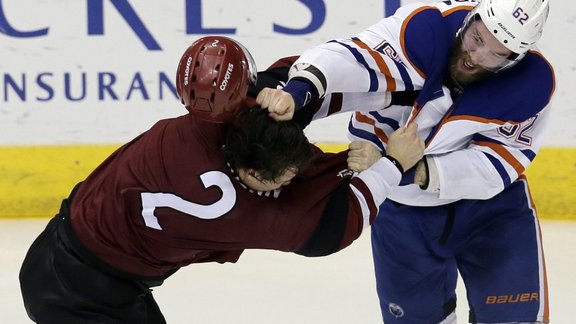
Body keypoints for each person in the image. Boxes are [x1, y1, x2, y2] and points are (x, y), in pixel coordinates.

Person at [19, 36, 424, 323]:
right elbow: (341, 224)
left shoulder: (209, 124)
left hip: (79, 255)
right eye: (285, 177)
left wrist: (399, 94)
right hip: (77, 293)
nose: (293, 178)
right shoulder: (254, 216)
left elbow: (296, 81)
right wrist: (392, 164)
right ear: (251, 176)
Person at [256, 0, 555, 323]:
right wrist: (298, 91)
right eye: (476, 38)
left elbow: (500, 163)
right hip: (401, 213)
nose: (476, 57)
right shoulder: (423, 30)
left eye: (497, 55)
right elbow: (350, 57)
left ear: (515, 59)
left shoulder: (531, 85)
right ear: (469, 19)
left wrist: (402, 167)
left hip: (492, 213)